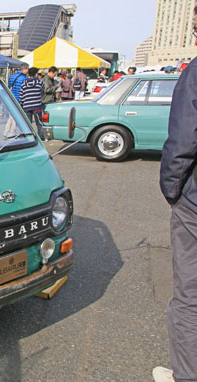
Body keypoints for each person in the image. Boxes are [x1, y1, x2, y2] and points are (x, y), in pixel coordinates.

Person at [155, 7, 197, 382]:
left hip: (195, 206)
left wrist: (172, 192)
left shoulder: (194, 75)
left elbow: (182, 146)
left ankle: (186, 374)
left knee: (190, 299)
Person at [19, 67, 45, 140]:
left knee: (28, 123)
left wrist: (22, 103)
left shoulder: (24, 83)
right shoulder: (39, 82)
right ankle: (41, 136)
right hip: (37, 105)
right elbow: (43, 90)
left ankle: (29, 137)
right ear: (36, 74)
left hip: (26, 106)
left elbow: (21, 95)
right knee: (39, 122)